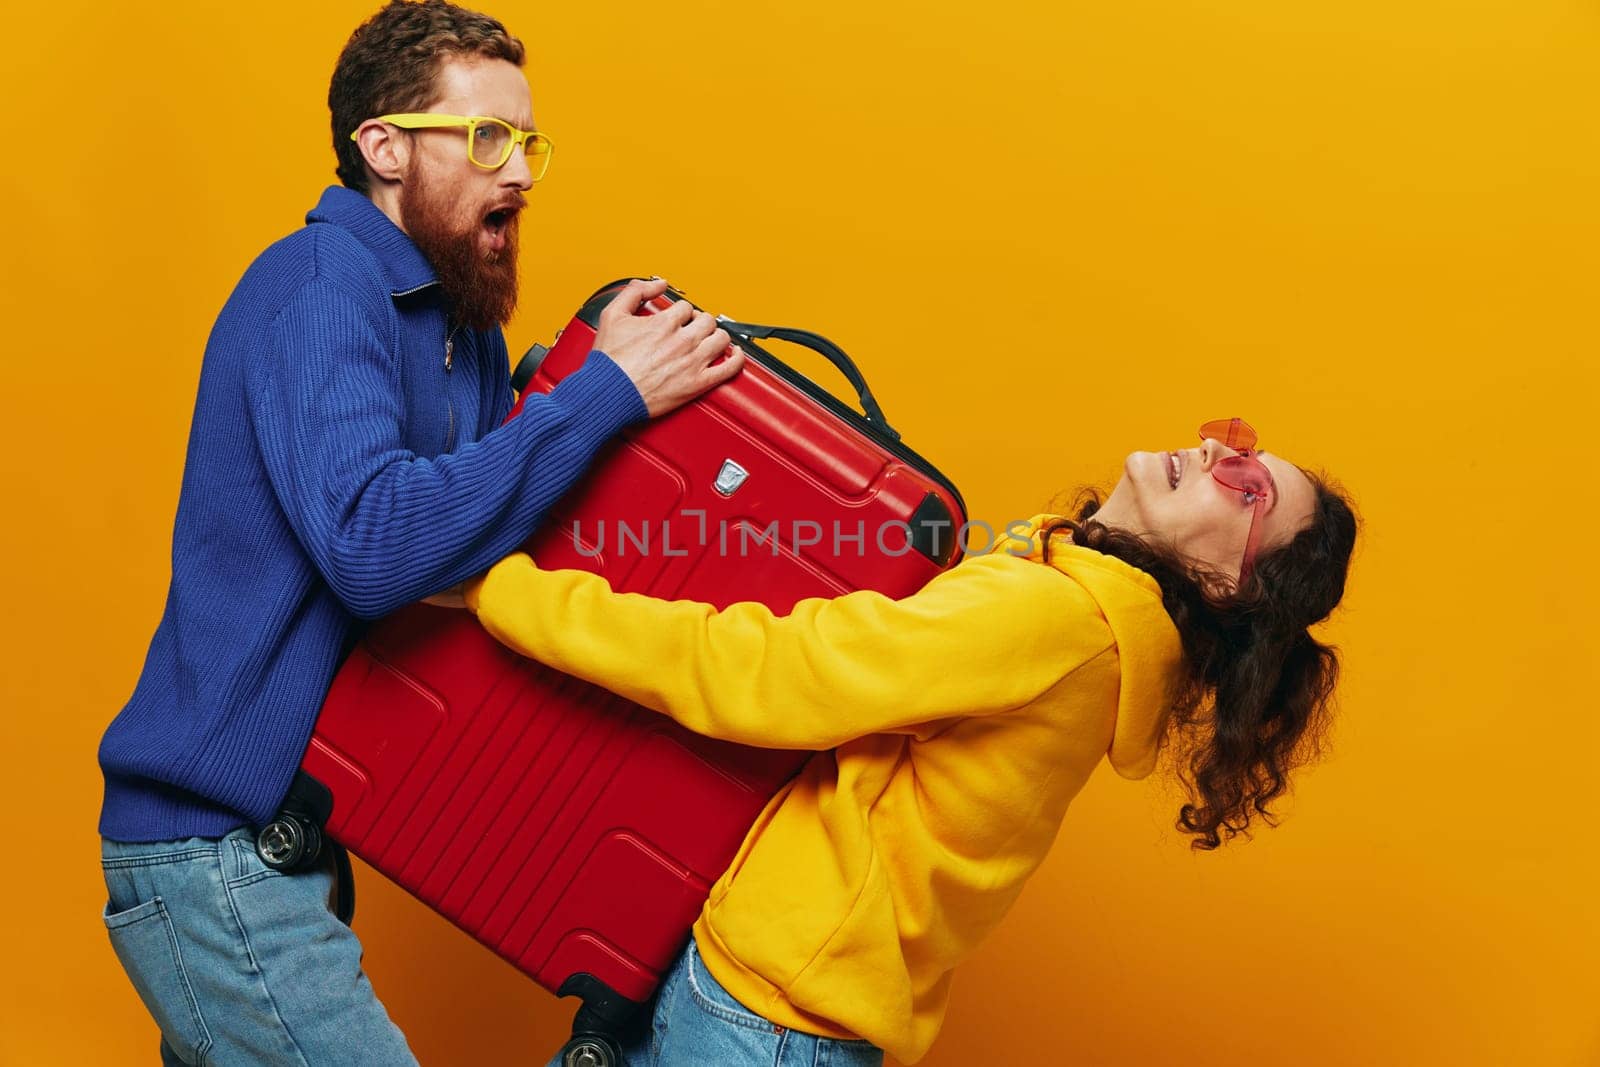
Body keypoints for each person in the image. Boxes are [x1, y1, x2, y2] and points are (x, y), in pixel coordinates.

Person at [95, 2, 740, 1063]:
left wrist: (584, 392)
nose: (522, 171)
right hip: (209, 850)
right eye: (487, 138)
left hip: (294, 841)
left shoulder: (460, 326)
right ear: (384, 148)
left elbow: (460, 557)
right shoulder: (317, 289)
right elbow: (378, 545)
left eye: (528, 141)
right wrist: (603, 397)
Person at [455, 418, 1359, 1066]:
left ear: (1230, 588)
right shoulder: (1090, 620)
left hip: (764, 1021)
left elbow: (776, 674)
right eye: (1234, 439)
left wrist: (508, 594)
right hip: (773, 1005)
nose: (1215, 452)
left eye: (1245, 485)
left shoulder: (1061, 617)